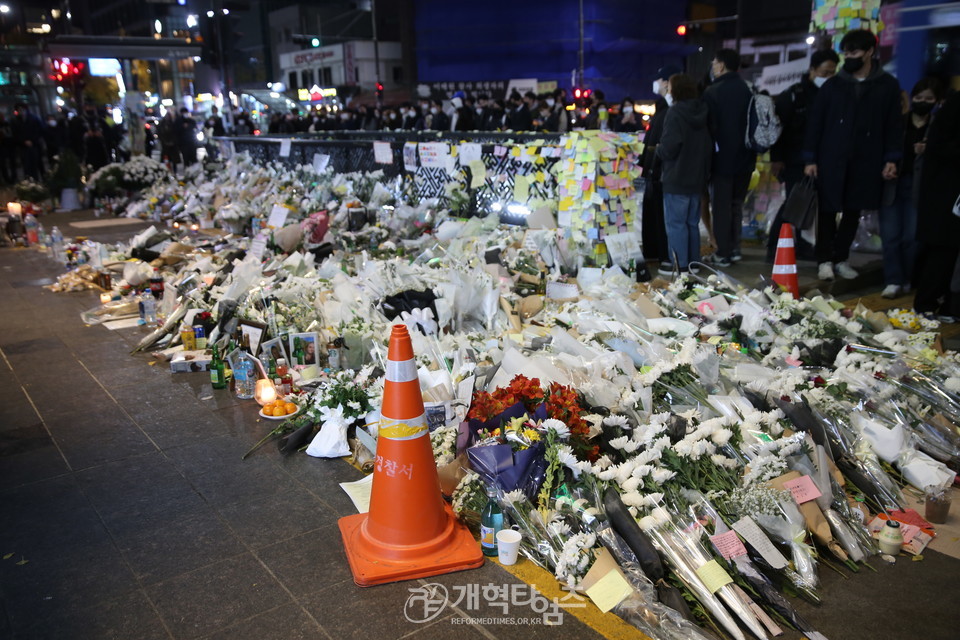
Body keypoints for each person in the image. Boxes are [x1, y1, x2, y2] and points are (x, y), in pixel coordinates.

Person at [803, 29, 903, 281]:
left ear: (870, 52)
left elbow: (893, 125)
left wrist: (892, 158)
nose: (849, 57)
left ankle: (841, 258)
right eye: (846, 52)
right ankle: (824, 259)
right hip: (830, 157)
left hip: (866, 158)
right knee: (826, 210)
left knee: (853, 210)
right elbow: (816, 122)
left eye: (855, 52)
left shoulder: (887, 86)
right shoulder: (833, 86)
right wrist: (810, 158)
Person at [767, 49, 839, 262]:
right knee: (796, 203)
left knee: (816, 206)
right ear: (812, 70)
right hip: (795, 160)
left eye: (832, 73)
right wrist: (777, 159)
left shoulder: (834, 94)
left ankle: (807, 246)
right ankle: (775, 247)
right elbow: (779, 129)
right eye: (825, 73)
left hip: (824, 159)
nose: (828, 78)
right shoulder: (793, 95)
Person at [879, 78, 943, 299]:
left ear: (936, 101)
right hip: (893, 185)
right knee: (890, 237)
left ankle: (907, 277)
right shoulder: (899, 123)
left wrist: (929, 149)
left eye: (929, 99)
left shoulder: (938, 126)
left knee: (912, 238)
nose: (923, 102)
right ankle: (893, 280)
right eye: (918, 98)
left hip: (921, 189)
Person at [702, 49, 756, 267]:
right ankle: (734, 249)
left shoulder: (713, 92)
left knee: (721, 206)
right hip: (746, 157)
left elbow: (709, 128)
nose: (713, 66)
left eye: (714, 62)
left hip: (722, 158)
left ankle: (722, 252)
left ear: (721, 65)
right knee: (736, 205)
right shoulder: (748, 89)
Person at [657, 73, 712, 274]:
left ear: (676, 89)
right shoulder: (703, 111)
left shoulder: (675, 113)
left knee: (676, 224)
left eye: (670, 86)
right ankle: (693, 263)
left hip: (677, 176)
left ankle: (679, 265)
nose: (668, 89)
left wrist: (658, 149)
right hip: (697, 177)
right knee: (691, 223)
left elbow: (670, 147)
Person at [914, 90, 960, 321]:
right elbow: (939, 147)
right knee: (942, 251)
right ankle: (927, 303)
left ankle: (950, 305)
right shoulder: (954, 107)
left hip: (950, 195)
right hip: (945, 196)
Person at [641, 65, 681, 272]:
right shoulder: (662, 107)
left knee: (669, 218)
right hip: (657, 170)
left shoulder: (674, 109)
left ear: (667, 83)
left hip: (665, 170)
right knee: (657, 214)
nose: (655, 83)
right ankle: (658, 253)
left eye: (658, 80)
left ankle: (670, 257)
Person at [12, 103, 44, 180]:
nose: (21, 111)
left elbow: (39, 131)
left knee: (36, 164)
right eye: (19, 110)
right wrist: (23, 141)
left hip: (34, 145)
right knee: (26, 166)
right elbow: (15, 134)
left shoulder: (34, 119)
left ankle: (38, 180)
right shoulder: (15, 121)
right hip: (23, 147)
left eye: (22, 109)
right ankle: (29, 182)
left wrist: (32, 140)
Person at [0, 113, 16, 184]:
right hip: (2, 146)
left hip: (10, 145)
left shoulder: (8, 124)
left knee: (12, 162)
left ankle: (13, 178)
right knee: (3, 164)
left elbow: (12, 134)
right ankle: (6, 178)